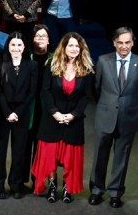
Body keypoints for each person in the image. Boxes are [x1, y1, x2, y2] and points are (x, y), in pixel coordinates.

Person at [89, 27, 138, 208]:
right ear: (114, 42)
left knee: (121, 157)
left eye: (128, 42)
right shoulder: (102, 61)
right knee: (100, 155)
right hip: (105, 116)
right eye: (120, 42)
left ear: (133, 43)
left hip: (128, 117)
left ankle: (115, 192)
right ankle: (96, 190)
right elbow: (96, 89)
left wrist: (128, 108)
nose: (124, 46)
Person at [32, 32, 94, 203]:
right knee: (50, 156)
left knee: (69, 158)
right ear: (64, 47)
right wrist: (55, 113)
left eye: (77, 46)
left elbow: (86, 96)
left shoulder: (87, 68)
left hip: (73, 121)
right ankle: (53, 186)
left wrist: (73, 115)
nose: (74, 49)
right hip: (52, 119)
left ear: (81, 49)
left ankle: (67, 188)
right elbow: (45, 91)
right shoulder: (51, 64)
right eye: (70, 45)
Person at [0, 32, 38, 199]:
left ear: (24, 47)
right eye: (13, 45)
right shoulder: (0, 64)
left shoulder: (31, 65)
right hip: (3, 112)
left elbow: (31, 92)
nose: (16, 48)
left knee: (19, 151)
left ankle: (15, 184)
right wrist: (7, 112)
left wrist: (17, 113)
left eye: (19, 45)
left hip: (22, 113)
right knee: (0, 151)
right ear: (8, 46)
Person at [22, 24, 52, 185]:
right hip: (28, 108)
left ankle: (38, 179)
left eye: (44, 36)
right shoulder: (26, 56)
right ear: (32, 39)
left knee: (41, 147)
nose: (40, 38)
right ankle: (22, 179)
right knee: (25, 145)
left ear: (48, 39)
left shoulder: (54, 58)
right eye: (38, 35)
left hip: (47, 108)